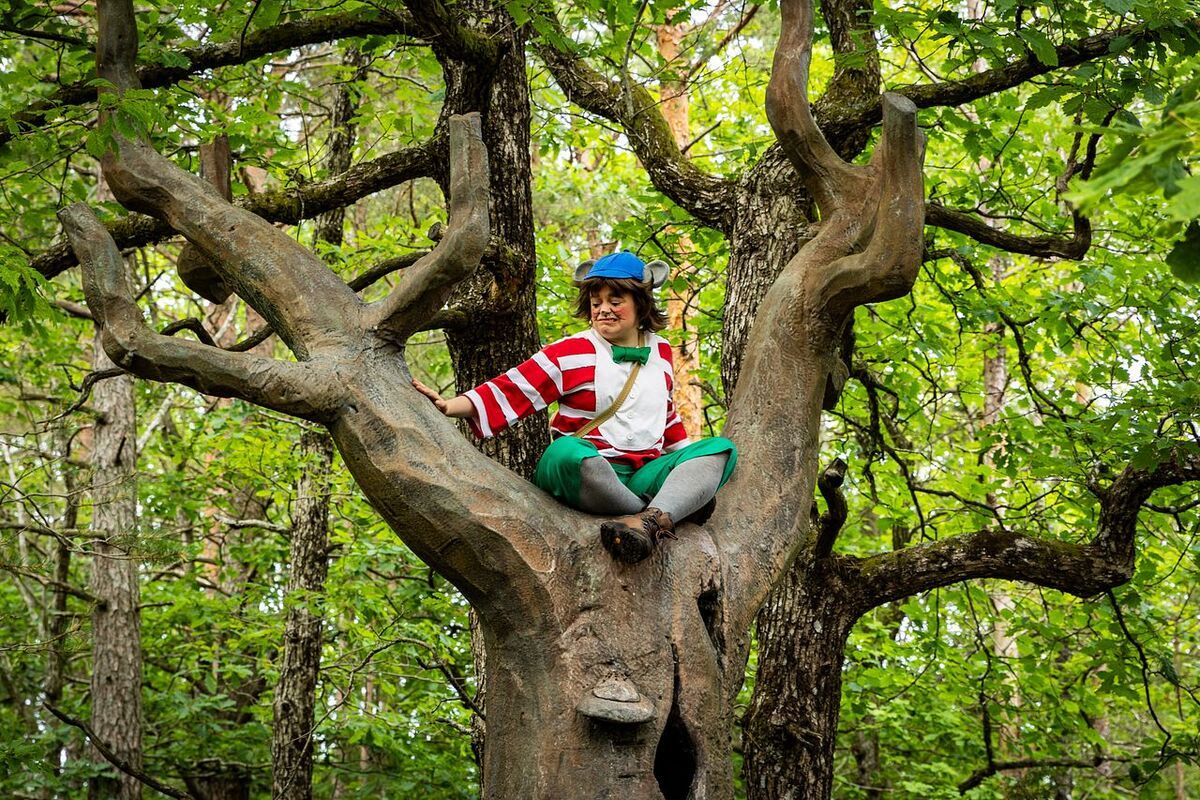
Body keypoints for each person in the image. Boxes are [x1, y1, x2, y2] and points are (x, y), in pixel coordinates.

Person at [412, 250, 736, 564]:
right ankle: (652, 513)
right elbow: (515, 388)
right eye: (596, 303)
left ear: (641, 302)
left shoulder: (661, 351)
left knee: (719, 449)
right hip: (588, 472)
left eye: (615, 301)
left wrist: (689, 466)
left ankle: (647, 519)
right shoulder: (573, 350)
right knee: (565, 453)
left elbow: (665, 418)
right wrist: (449, 405)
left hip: (642, 472)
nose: (603, 310)